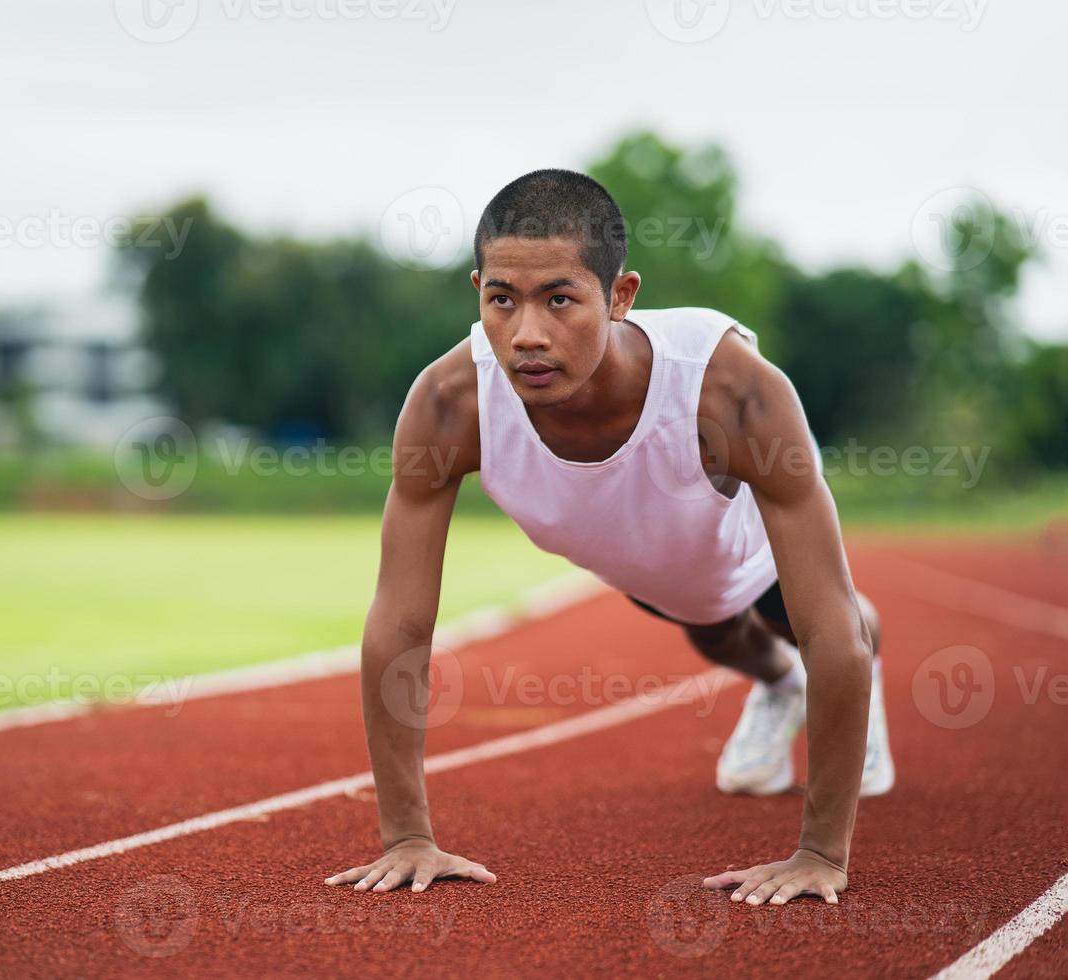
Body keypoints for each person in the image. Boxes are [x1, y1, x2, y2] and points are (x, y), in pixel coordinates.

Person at [325, 169, 894, 907]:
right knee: (717, 639)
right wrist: (407, 837)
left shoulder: (732, 392)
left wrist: (819, 851)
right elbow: (400, 622)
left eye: (560, 299)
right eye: (502, 299)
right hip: (655, 570)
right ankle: (782, 685)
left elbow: (831, 630)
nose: (527, 334)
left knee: (825, 625)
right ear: (478, 292)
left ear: (620, 297)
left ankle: (836, 675)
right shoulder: (448, 404)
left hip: (743, 552)